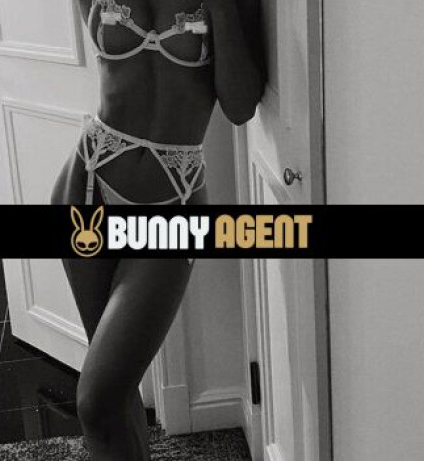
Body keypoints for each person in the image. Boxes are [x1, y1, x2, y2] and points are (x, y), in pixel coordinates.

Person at [50, 0, 265, 458]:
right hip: (88, 185)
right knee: (116, 388)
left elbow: (241, 106)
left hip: (174, 199)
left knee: (96, 400)